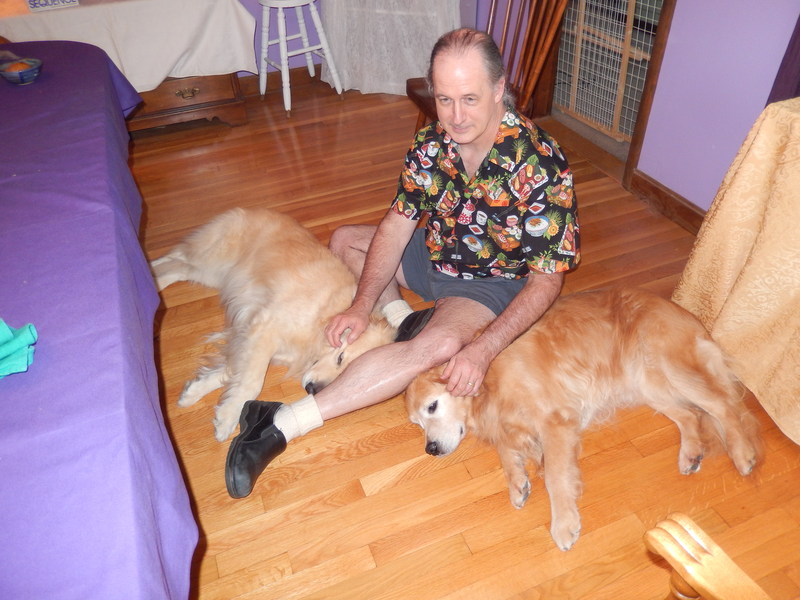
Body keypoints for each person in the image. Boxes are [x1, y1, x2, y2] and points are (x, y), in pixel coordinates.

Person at [225, 27, 581, 498]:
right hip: (436, 251)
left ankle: (277, 422)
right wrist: (361, 305)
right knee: (346, 241)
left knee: (441, 346)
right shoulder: (433, 143)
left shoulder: (540, 166)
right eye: (445, 100)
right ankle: (401, 319)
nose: (456, 116)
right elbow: (397, 224)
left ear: (499, 90)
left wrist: (483, 349)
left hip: (488, 281)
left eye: (470, 99)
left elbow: (546, 283)